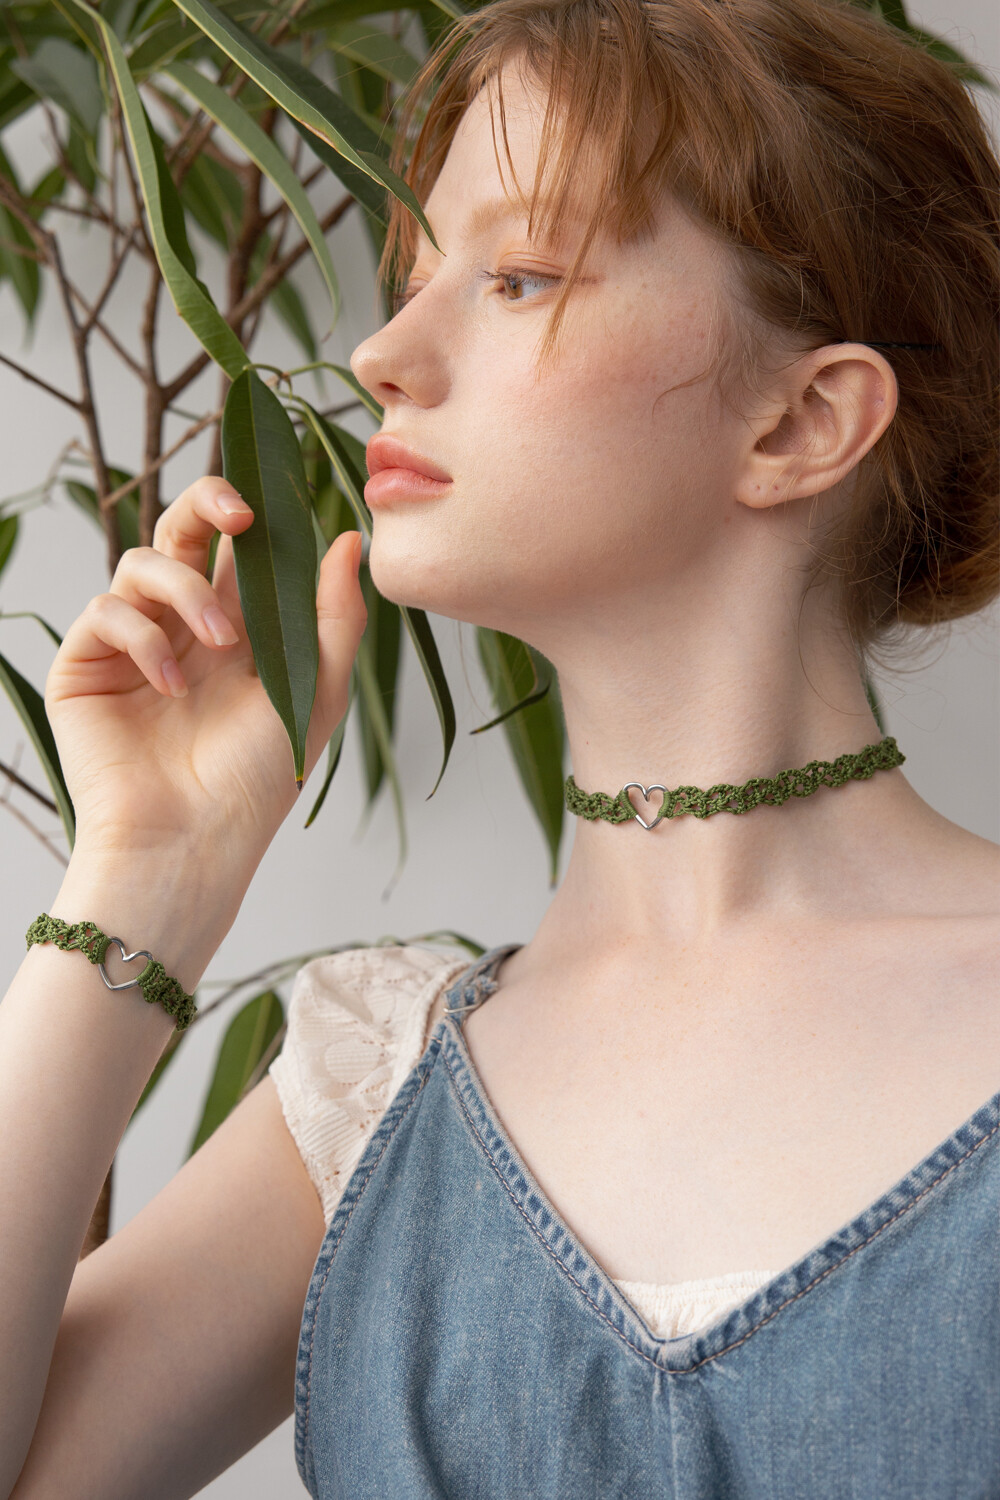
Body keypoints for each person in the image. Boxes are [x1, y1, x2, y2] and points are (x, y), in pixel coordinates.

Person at [1, 0, 997, 1494]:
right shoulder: (368, 1084)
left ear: (803, 422)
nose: (380, 353)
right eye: (413, 279)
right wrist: (148, 868)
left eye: (520, 276)